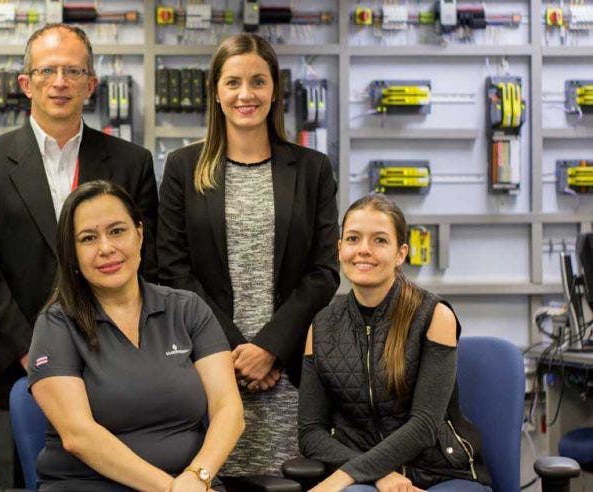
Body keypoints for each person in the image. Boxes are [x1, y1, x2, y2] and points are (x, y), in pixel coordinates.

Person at [0, 23, 158, 488]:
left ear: (92, 84)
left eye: (73, 71)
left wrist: (121, 355)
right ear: (27, 83)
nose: (60, 82)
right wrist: (33, 355)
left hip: (118, 365)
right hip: (21, 371)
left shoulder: (131, 162)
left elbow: (149, 261)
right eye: (48, 70)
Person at [157, 33, 339, 481]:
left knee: (290, 479)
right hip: (209, 369)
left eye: (258, 82)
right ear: (216, 92)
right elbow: (175, 270)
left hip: (292, 370)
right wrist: (234, 353)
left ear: (274, 90)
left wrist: (269, 348)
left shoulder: (312, 169)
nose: (245, 94)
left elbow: (324, 272)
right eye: (233, 82)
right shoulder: (183, 168)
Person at [27, 180, 244, 491]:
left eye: (117, 231)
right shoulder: (56, 324)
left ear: (139, 234)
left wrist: (199, 475)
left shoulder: (188, 310)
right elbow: (78, 436)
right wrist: (170, 488)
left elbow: (229, 409)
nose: (106, 248)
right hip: (88, 485)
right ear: (72, 253)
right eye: (88, 238)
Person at [299, 194, 492, 491]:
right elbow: (311, 433)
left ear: (401, 253)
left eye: (379, 240)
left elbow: (424, 426)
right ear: (339, 250)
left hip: (440, 471)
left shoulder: (434, 315)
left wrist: (342, 476)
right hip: (363, 478)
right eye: (353, 239)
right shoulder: (322, 326)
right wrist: (374, 473)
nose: (363, 250)